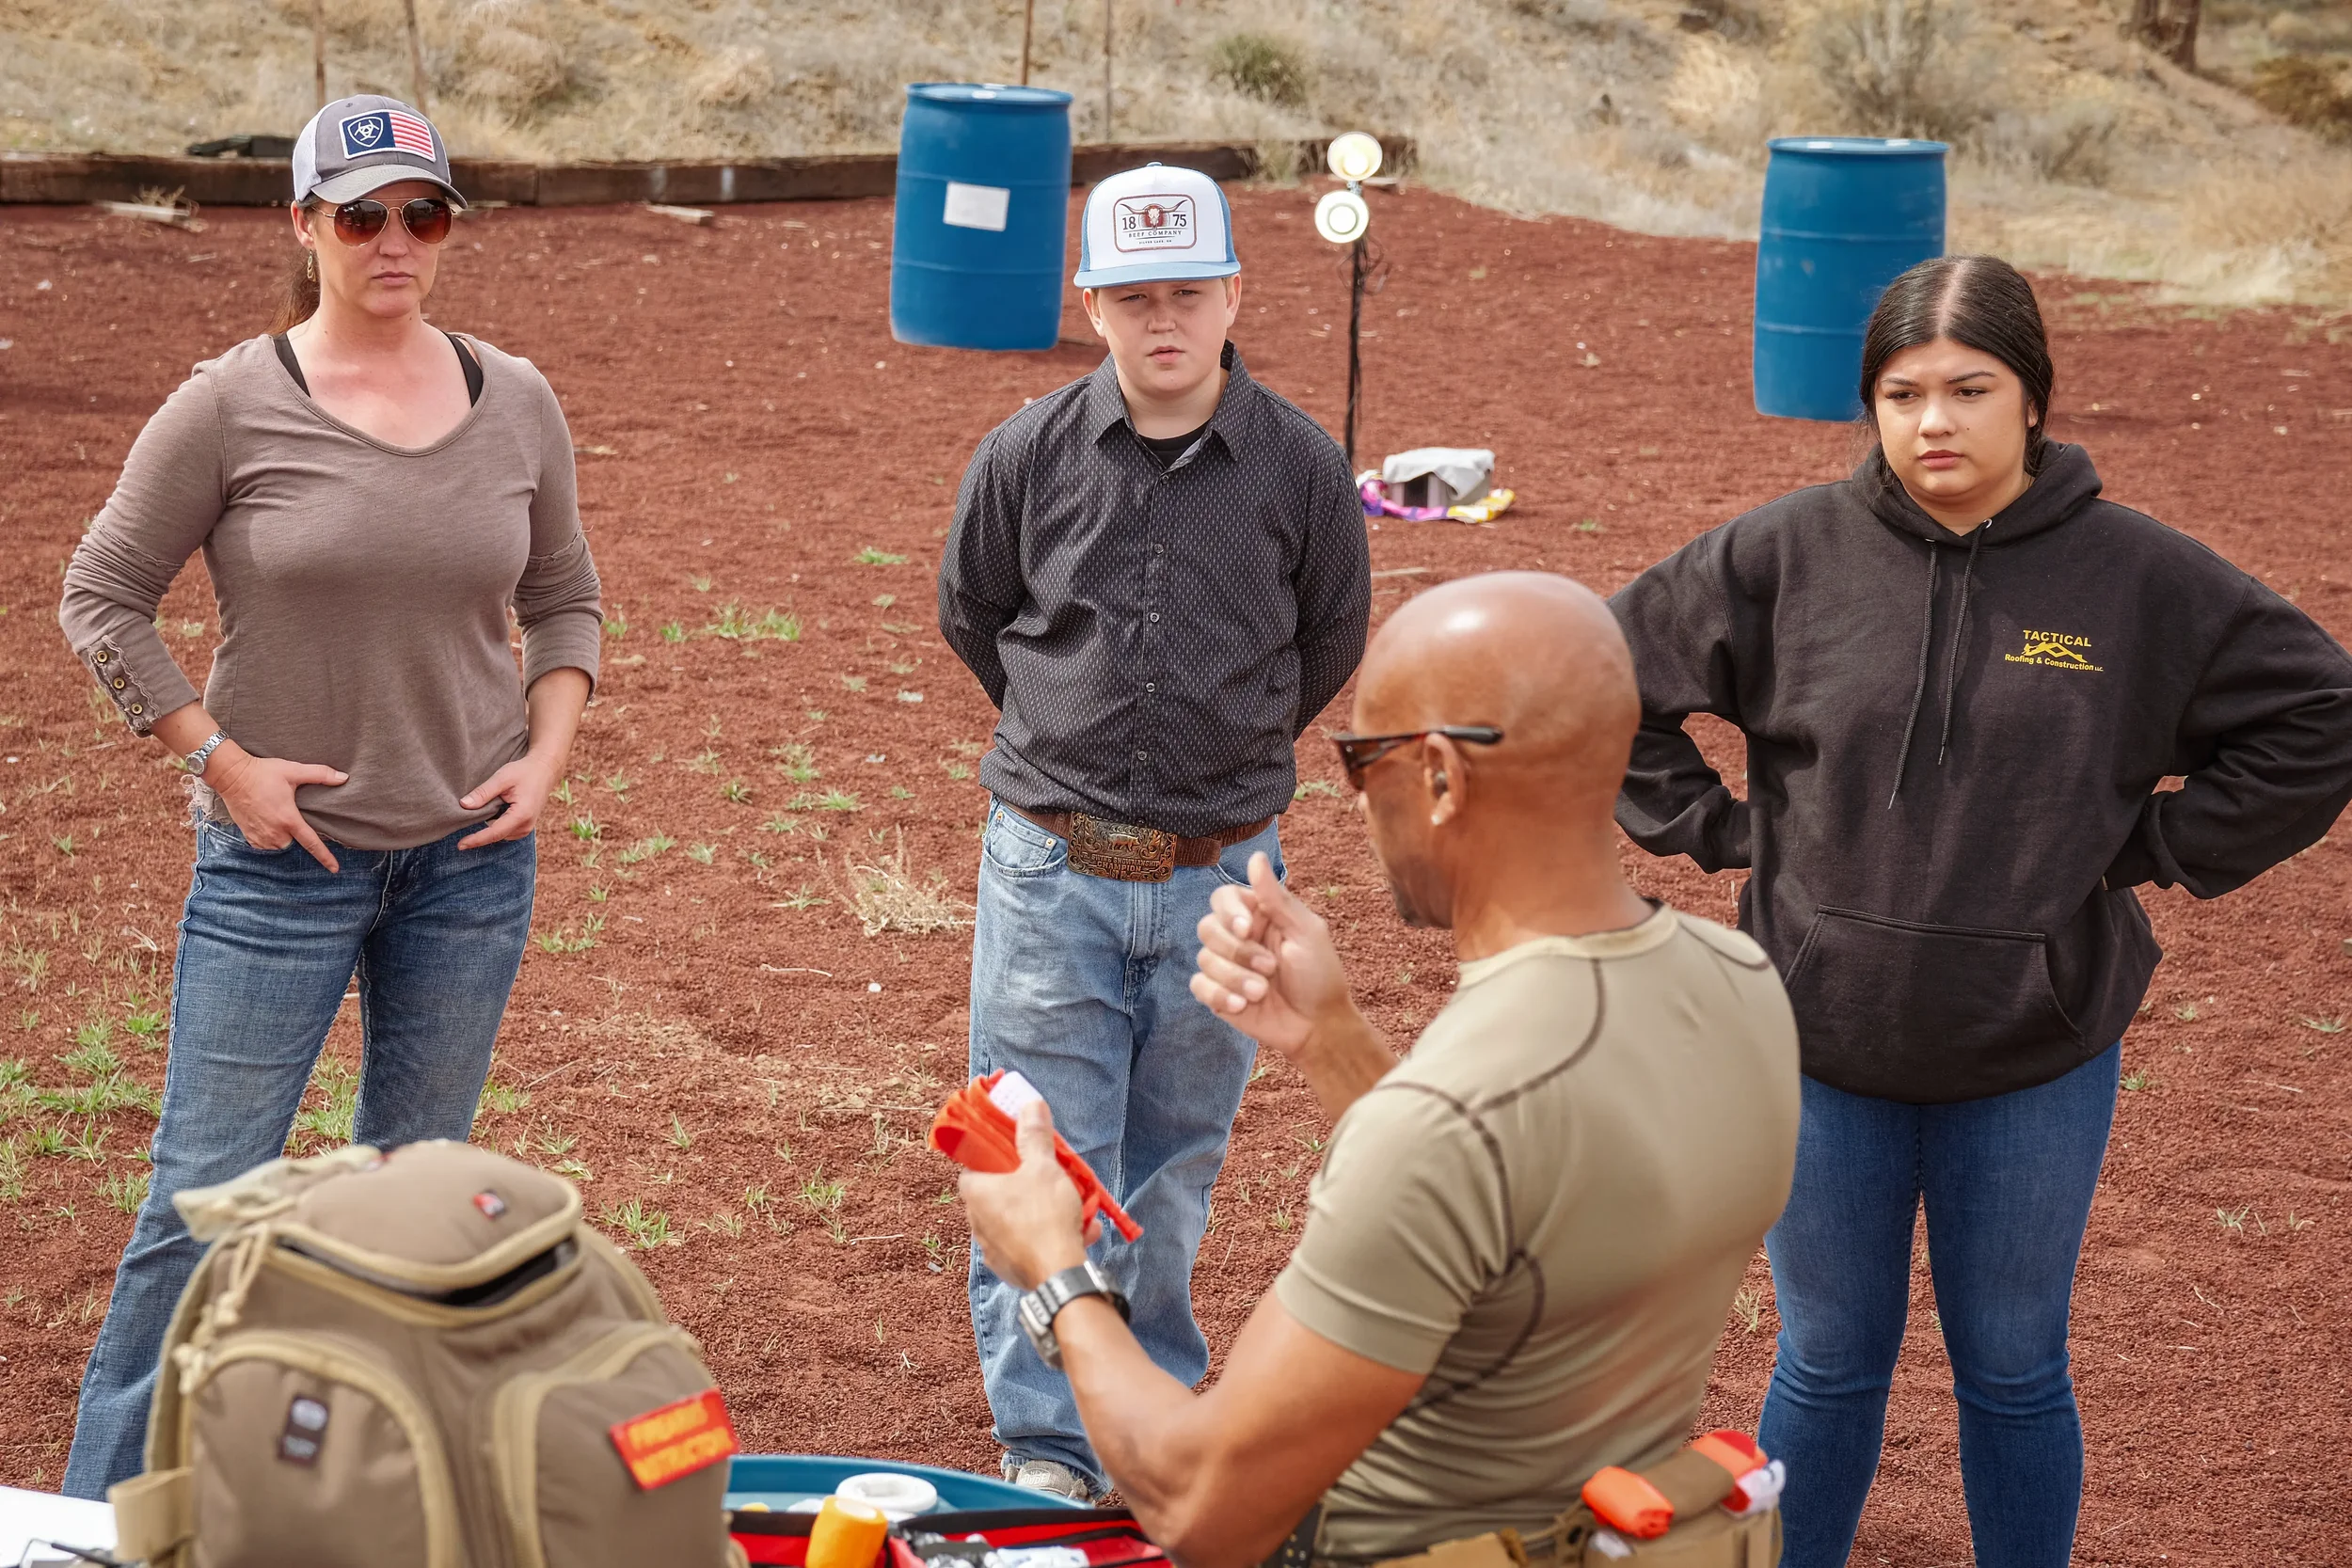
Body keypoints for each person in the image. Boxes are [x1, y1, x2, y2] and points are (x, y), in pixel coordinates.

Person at [1610, 255, 2352, 1568]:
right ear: (1871, 406)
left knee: (2013, 1363)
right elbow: (1606, 675)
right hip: (1817, 1038)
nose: (1934, 420)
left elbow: (2319, 713)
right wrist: (1725, 829)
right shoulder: (1785, 556)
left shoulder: (2138, 579)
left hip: (2034, 1044)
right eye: (1902, 392)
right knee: (1829, 1360)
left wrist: (2158, 844)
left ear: (2035, 399)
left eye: (1970, 387)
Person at [957, 571, 1800, 1565]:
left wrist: (1052, 1267)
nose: (1356, 801)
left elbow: (1199, 1502)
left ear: (1439, 775)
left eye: (1361, 760)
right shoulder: (1741, 982)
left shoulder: (1458, 1115)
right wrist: (1334, 1039)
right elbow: (1527, 1227)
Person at [55, 95, 601, 1497]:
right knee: (198, 1201)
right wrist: (215, 756)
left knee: (414, 1207)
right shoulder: (229, 400)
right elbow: (102, 594)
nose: (395, 240)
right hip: (275, 865)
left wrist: (545, 754)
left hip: (470, 862)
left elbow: (563, 600)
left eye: (424, 214)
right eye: (361, 215)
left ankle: (364, 1498)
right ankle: (106, 1514)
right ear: (302, 224)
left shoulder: (516, 395)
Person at [937, 161, 1372, 1500]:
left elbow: (1329, 640)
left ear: (1235, 292)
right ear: (1093, 302)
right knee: (1036, 1147)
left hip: (1221, 874)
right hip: (1051, 857)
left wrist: (1221, 766)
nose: (1162, 322)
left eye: (1189, 293)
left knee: (1176, 1159)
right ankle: (1053, 1442)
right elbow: (977, 610)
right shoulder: (1027, 452)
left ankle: (1158, 1398)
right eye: (1134, 298)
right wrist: (1069, 741)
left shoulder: (1300, 467)